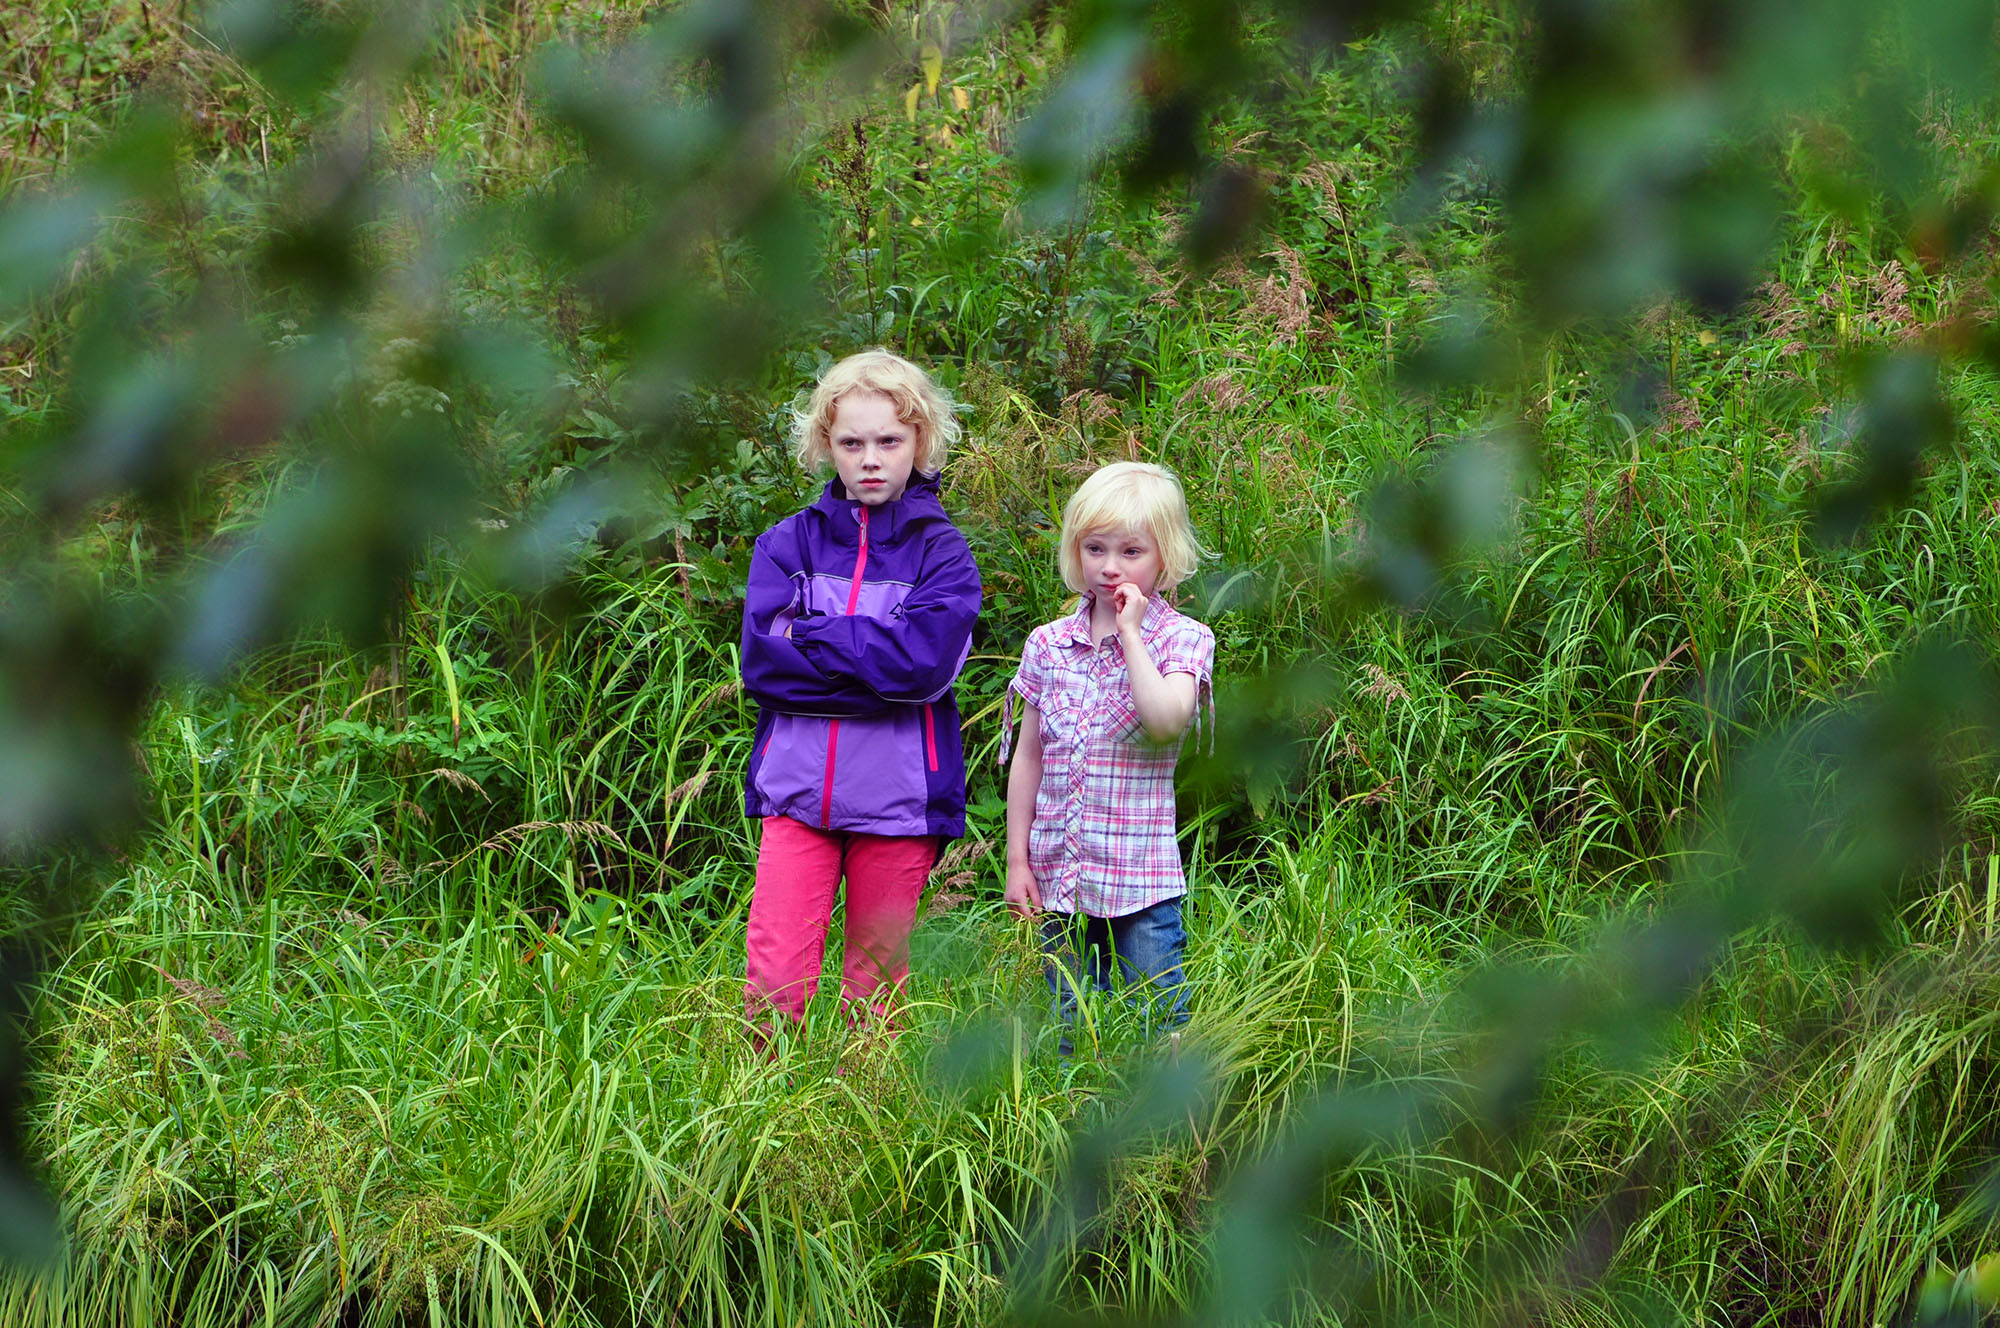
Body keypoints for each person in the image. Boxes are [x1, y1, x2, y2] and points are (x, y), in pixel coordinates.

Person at [739, 349, 981, 1036]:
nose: (869, 458)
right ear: (825, 445)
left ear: (921, 442)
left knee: (876, 995)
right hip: (796, 798)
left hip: (900, 805)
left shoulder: (943, 553)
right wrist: (879, 659)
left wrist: (822, 635)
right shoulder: (787, 546)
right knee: (774, 982)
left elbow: (924, 672)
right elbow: (765, 668)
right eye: (851, 442)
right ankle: (764, 1126)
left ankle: (863, 1131)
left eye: (888, 441)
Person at [1000, 460, 1214, 1051]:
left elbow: (1167, 722)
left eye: (1131, 551)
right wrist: (1018, 861)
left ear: (1164, 559)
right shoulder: (1049, 644)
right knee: (1069, 1021)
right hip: (1057, 877)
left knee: (1159, 1017)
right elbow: (1030, 758)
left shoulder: (1183, 638)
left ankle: (1172, 1134)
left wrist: (1132, 635)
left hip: (1139, 878)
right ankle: (1078, 1124)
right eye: (1095, 548)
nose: (1110, 567)